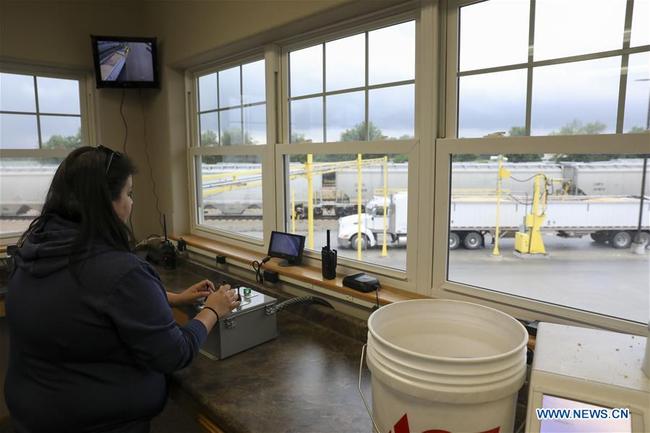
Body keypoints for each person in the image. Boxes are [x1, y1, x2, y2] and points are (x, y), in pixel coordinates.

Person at [5, 145, 240, 433]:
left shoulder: (37, 248)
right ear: (107, 202)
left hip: (35, 415)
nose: (131, 203)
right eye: (129, 193)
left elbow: (85, 299)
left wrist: (173, 298)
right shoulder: (121, 271)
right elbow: (174, 353)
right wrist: (213, 310)